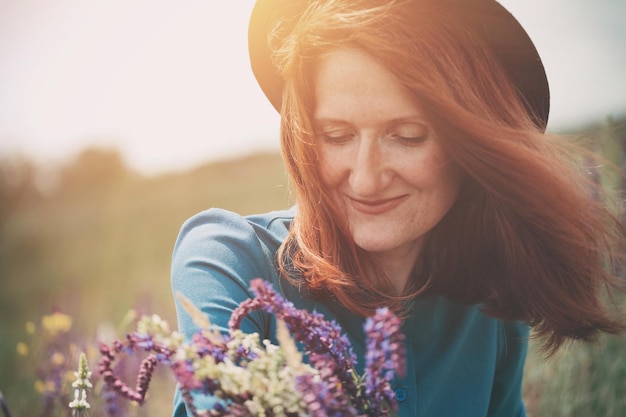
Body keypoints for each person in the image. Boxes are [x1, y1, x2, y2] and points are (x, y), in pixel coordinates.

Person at [171, 0, 625, 415]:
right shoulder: (228, 260)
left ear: (469, 144)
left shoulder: (491, 307)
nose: (366, 178)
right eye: (337, 136)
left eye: (407, 135)